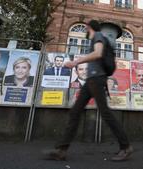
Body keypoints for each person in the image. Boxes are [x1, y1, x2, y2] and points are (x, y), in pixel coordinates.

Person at [44, 20, 133, 161]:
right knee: (75, 112)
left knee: (105, 113)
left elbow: (98, 53)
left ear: (88, 27)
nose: (85, 29)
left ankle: (125, 146)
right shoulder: (96, 38)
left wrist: (76, 62)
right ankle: (61, 149)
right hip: (91, 80)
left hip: (97, 79)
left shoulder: (97, 35)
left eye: (86, 27)